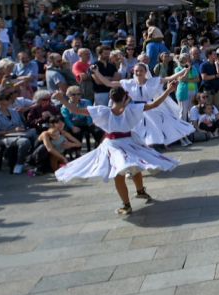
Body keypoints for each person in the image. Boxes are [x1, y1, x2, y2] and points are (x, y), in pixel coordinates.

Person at [55, 83, 180, 215]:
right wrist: (168, 90)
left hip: (113, 144)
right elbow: (154, 104)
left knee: (121, 173)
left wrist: (62, 99)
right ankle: (140, 191)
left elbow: (76, 110)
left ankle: (127, 204)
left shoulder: (102, 110)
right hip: (128, 142)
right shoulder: (132, 109)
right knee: (134, 165)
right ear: (125, 97)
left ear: (111, 98)